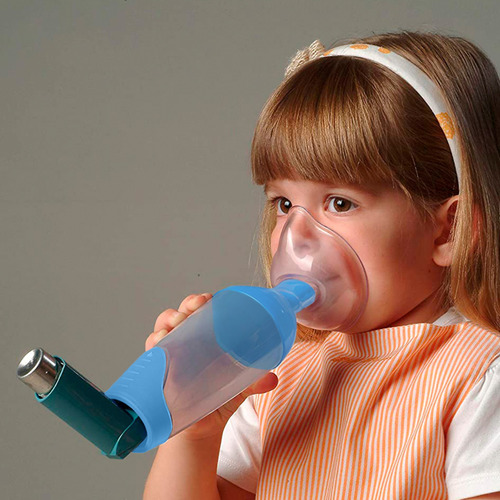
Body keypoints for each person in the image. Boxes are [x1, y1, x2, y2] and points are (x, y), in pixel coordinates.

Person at [143, 30, 500, 499]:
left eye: (339, 202)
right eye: (284, 204)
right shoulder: (275, 377)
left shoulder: (478, 375)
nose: (298, 236)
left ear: (446, 230)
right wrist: (194, 431)